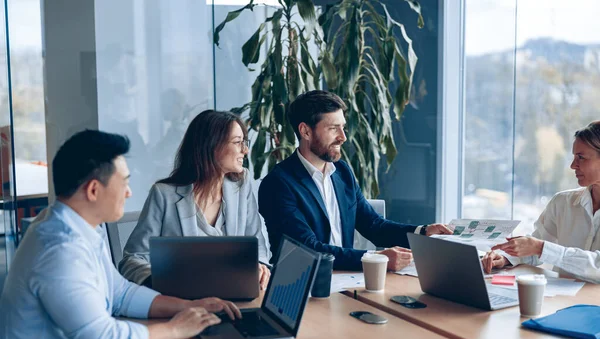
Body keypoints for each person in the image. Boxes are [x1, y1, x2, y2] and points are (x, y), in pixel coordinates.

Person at [0, 130, 241, 339]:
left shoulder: (80, 225)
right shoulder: (60, 251)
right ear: (93, 190)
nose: (128, 193)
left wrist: (187, 306)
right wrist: (175, 328)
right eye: (123, 182)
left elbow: (120, 293)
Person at [258, 90, 452, 271]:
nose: (343, 137)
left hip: (346, 281)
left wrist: (423, 232)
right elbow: (308, 250)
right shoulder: (278, 184)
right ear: (305, 131)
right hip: (302, 286)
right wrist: (377, 258)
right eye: (333, 128)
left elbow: (374, 225)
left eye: (343, 128)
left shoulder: (342, 172)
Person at [119, 110, 271, 288]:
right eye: (237, 142)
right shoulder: (164, 195)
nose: (245, 150)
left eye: (244, 142)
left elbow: (257, 246)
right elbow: (132, 259)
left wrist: (259, 267)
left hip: (236, 295)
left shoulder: (241, 185)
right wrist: (167, 282)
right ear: (212, 146)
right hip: (186, 301)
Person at [482, 121, 600, 283]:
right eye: (573, 157)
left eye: (581, 157)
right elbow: (535, 249)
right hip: (562, 301)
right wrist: (506, 257)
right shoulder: (562, 202)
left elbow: (597, 265)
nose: (573, 165)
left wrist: (541, 247)